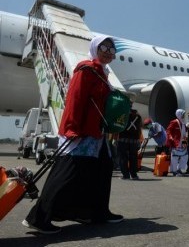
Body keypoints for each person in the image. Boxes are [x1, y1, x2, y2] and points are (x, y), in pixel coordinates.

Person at [22, 36, 123, 234]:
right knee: (68, 172)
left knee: (101, 171)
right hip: (82, 132)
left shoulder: (103, 73)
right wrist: (72, 128)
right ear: (95, 47)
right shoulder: (86, 70)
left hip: (98, 133)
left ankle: (94, 212)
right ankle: (38, 218)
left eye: (112, 50)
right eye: (104, 47)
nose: (108, 52)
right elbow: (74, 100)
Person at [117, 106, 142, 180]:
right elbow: (139, 128)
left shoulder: (123, 114)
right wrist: (138, 139)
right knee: (133, 158)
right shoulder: (138, 116)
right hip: (134, 140)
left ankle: (125, 175)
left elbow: (118, 126)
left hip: (123, 139)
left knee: (123, 157)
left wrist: (115, 138)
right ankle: (134, 175)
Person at [166, 109, 188, 176]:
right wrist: (170, 137)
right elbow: (168, 130)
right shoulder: (174, 122)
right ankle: (174, 171)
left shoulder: (183, 122)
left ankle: (179, 169)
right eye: (183, 114)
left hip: (183, 142)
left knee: (185, 156)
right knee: (175, 157)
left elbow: (185, 131)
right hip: (176, 142)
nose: (184, 116)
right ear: (179, 114)